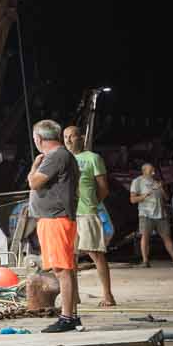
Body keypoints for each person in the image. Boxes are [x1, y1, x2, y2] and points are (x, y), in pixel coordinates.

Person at [28, 119, 82, 332]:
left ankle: (67, 318)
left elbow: (33, 182)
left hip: (55, 219)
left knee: (63, 271)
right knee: (64, 269)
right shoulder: (62, 156)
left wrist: (34, 165)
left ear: (38, 139)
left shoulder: (56, 156)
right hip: (55, 219)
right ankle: (72, 315)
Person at [63, 125, 115, 306]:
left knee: (96, 254)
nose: (68, 140)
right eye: (66, 137)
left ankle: (108, 295)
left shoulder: (93, 158)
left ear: (81, 138)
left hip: (87, 214)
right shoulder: (64, 159)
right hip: (68, 215)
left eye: (72, 136)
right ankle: (74, 295)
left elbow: (103, 188)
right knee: (70, 258)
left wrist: (92, 204)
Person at [129, 164, 173, 266]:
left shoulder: (157, 181)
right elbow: (132, 200)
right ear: (144, 171)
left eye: (154, 170)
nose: (153, 173)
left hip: (161, 214)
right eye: (151, 171)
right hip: (145, 214)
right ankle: (145, 261)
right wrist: (145, 195)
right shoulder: (137, 181)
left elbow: (166, 198)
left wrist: (162, 188)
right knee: (145, 237)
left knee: (167, 237)